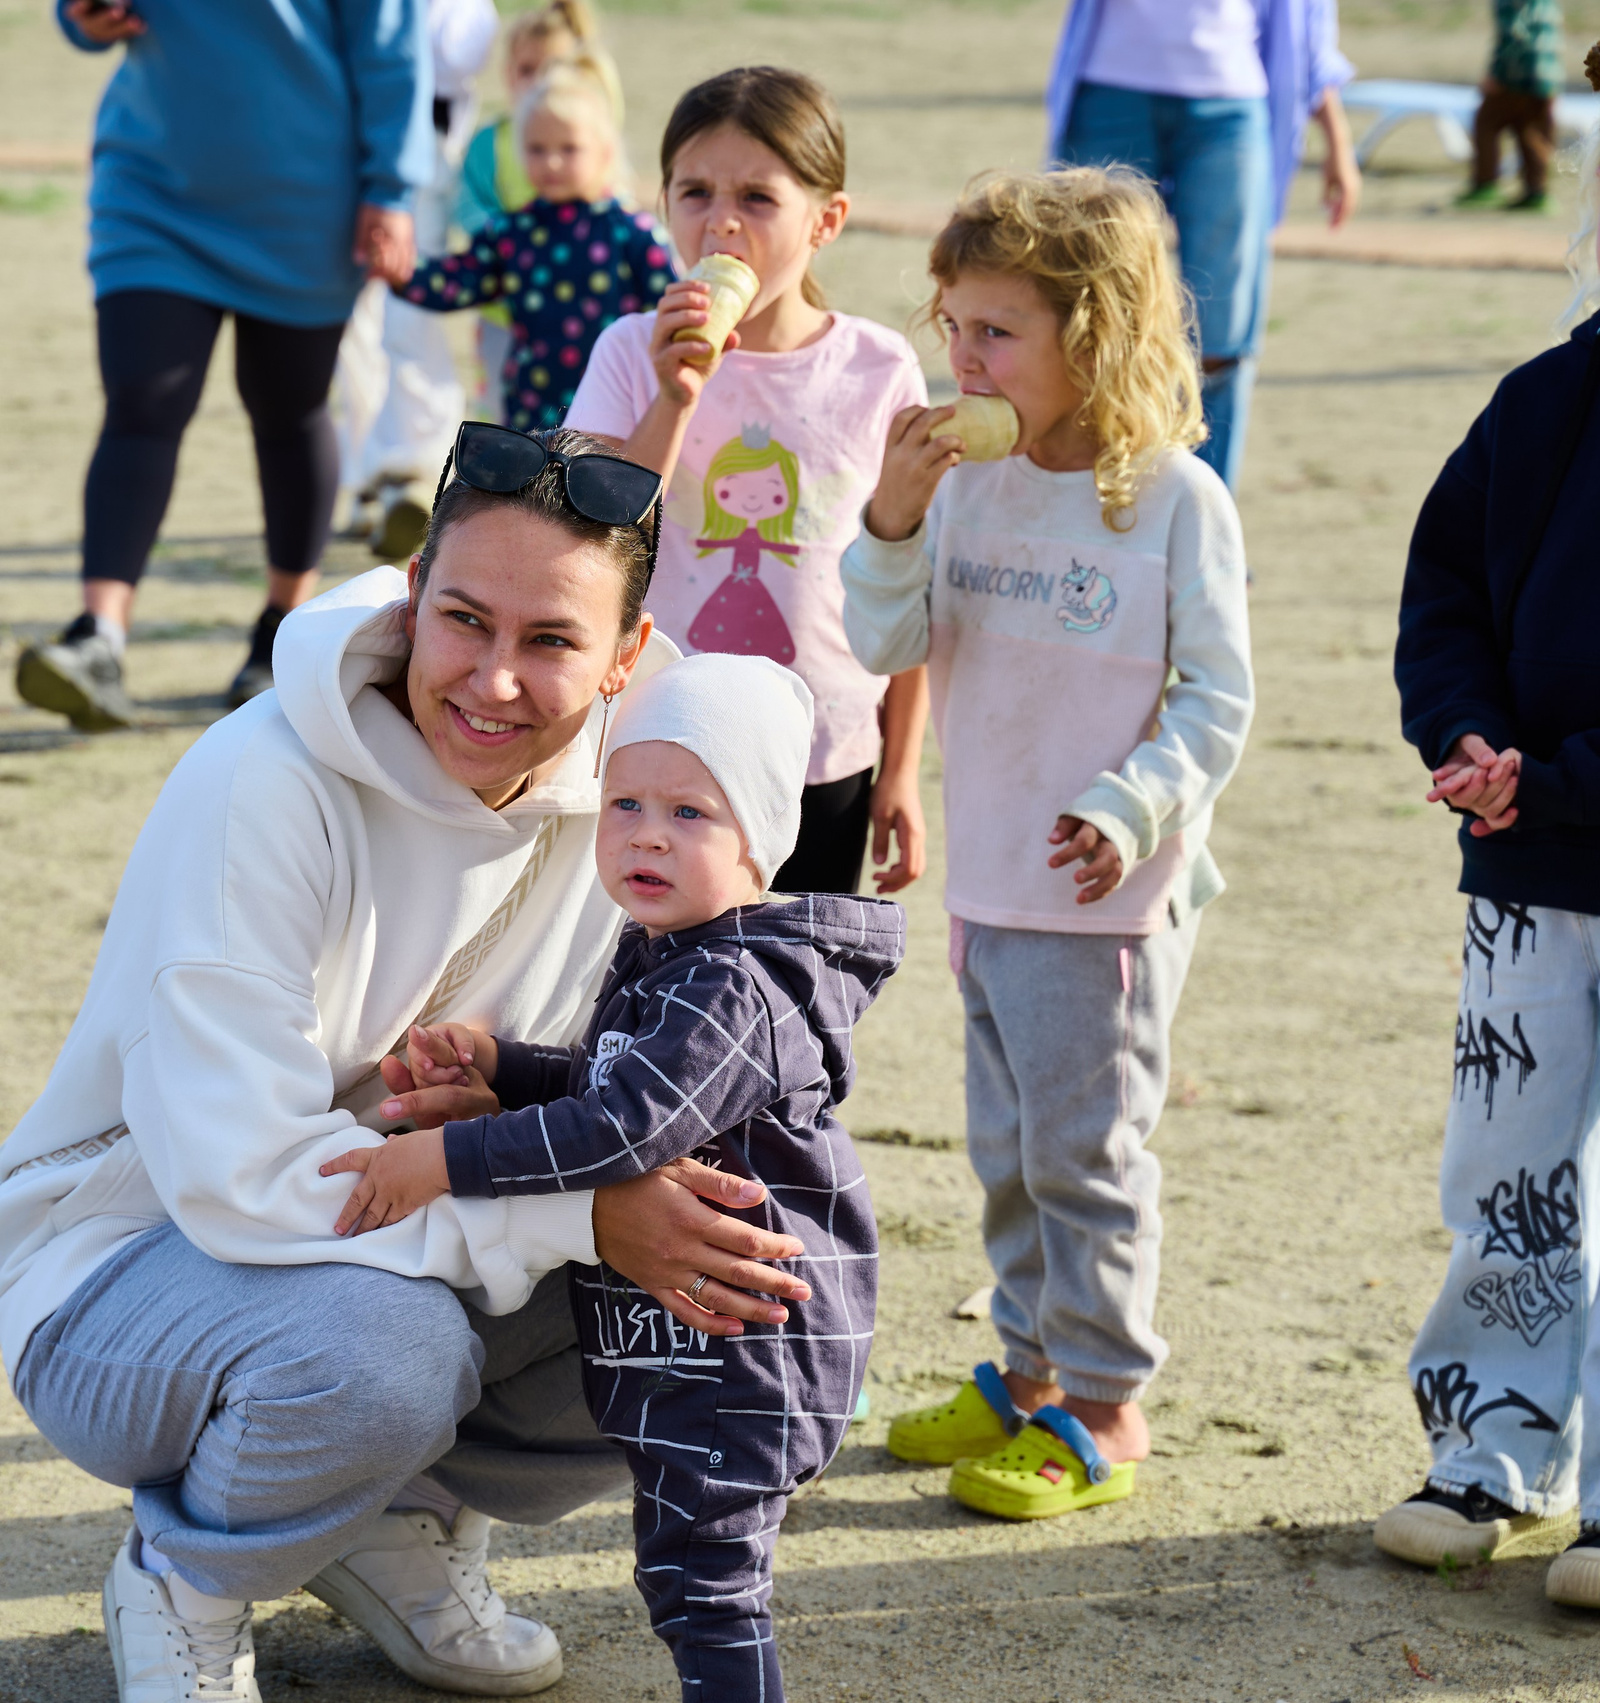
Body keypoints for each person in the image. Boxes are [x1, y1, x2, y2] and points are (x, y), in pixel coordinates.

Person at [0, 424, 823, 1703]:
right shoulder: (261, 780)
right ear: (413, 592)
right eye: (464, 618)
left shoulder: (644, 807)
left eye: (551, 641)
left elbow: (658, 1086)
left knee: (735, 1276)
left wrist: (624, 1194)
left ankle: (390, 1523)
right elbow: (236, 1173)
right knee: (388, 1355)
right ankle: (185, 1578)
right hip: (123, 1266)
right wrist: (580, 1209)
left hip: (405, 1231)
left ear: (626, 658)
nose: (493, 679)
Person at [322, 651, 903, 1703]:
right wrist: (507, 1069)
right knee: (683, 1575)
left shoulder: (733, 984)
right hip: (689, 1334)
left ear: (760, 839)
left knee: (709, 1584)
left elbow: (623, 1127)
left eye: (690, 810)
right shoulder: (671, 954)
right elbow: (615, 1080)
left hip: (746, 1348)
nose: (645, 831)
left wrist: (442, 1156)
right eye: (625, 800)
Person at [840, 167, 1255, 1519]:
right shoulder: (965, 488)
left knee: (1088, 1152)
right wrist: (891, 522)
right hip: (992, 877)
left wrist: (1132, 802)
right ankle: (1025, 1368)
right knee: (1008, 1145)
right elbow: (884, 641)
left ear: (1096, 337)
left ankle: (1106, 1400)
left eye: (996, 332)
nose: (960, 358)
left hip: (1109, 896)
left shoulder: (1178, 500)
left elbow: (1219, 697)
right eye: (952, 326)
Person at [1381, 34, 1600, 1614]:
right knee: (1508, 1167)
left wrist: (1577, 774)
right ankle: (1487, 1446)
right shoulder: (1540, 399)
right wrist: (1470, 740)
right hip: (1519, 868)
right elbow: (1445, 590)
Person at [15, 0, 427, 732]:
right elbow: (88, 14)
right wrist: (84, 16)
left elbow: (392, 50)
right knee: (143, 400)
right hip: (153, 189)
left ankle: (280, 632)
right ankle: (98, 637)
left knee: (288, 406)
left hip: (309, 205)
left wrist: (391, 189)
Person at [569, 67, 930, 899]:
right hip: (657, 749)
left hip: (825, 753)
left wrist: (901, 770)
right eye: (694, 191)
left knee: (798, 1002)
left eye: (758, 199)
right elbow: (591, 539)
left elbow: (909, 584)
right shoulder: (630, 351)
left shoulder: (878, 369)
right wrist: (674, 396)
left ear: (826, 219)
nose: (721, 222)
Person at [1045, 0, 1362, 489]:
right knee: (1087, 317)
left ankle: (1208, 528)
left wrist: (1337, 139)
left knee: (1221, 334)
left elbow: (1308, 24)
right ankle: (1091, 508)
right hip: (1110, 86)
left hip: (1230, 102)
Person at [393, 63, 672, 435]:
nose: (551, 161)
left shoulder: (632, 234)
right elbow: (457, 281)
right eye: (536, 149)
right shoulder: (512, 233)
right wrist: (400, 271)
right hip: (531, 417)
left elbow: (671, 303)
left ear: (605, 153)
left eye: (569, 148)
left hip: (617, 416)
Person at [341, 0, 497, 564]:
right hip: (336, 139)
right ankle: (365, 473)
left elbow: (453, 55)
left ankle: (415, 471)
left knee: (410, 317)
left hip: (418, 154)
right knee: (343, 326)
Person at [458, 2, 619, 422]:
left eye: (550, 70)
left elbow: (610, 210)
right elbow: (468, 202)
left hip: (575, 313)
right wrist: (509, 243)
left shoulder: (585, 139)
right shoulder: (490, 142)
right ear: (508, 72)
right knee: (496, 408)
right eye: (526, 69)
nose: (536, 83)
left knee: (576, 417)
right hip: (503, 311)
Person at [1463, 0, 1564, 211]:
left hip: (1519, 74)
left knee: (1486, 123)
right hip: (1548, 73)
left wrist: (1497, 74)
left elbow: (1514, 35)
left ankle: (1485, 184)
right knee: (1530, 130)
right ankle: (1537, 192)